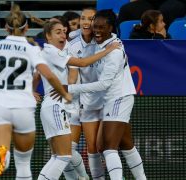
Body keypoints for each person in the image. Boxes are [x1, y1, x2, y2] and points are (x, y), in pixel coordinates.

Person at [0, 5, 72, 179]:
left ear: (5, 28)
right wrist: (65, 94)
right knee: (24, 162)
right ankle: (11, 161)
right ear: (26, 28)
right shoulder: (31, 50)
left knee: (2, 153)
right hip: (23, 108)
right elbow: (49, 75)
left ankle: (1, 158)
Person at [67, 10, 147, 180]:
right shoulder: (100, 40)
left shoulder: (115, 51)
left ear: (111, 28)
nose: (96, 30)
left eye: (101, 27)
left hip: (118, 98)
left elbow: (104, 84)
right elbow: (79, 32)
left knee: (108, 147)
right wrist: (75, 31)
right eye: (94, 26)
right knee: (126, 145)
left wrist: (70, 89)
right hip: (108, 100)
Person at [38, 21, 120, 180]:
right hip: (55, 105)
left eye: (64, 31)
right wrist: (107, 50)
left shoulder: (60, 49)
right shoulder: (50, 52)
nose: (63, 35)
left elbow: (38, 73)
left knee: (62, 154)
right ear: (48, 36)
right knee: (63, 156)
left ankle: (82, 178)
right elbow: (82, 63)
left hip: (56, 106)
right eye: (58, 32)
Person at [67, 7, 107, 180]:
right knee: (66, 150)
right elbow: (73, 75)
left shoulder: (104, 44)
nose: (85, 22)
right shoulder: (73, 45)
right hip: (78, 102)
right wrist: (68, 94)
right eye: (83, 18)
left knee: (94, 148)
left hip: (100, 102)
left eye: (90, 19)